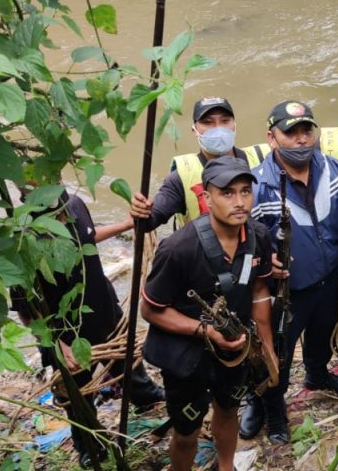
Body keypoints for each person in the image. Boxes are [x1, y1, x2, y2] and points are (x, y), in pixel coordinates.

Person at [139, 156, 276, 471]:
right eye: (227, 193)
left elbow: (258, 291)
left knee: (228, 411)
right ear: (207, 198)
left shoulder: (258, 236)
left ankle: (226, 466)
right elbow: (150, 309)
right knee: (186, 431)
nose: (239, 202)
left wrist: (267, 348)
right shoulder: (178, 249)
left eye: (245, 192)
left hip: (235, 349)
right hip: (187, 356)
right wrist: (204, 331)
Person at [12, 191, 165, 469]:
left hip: (104, 308)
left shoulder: (74, 203)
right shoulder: (23, 237)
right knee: (78, 394)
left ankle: (145, 396)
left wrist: (126, 225)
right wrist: (56, 343)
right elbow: (25, 308)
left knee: (126, 358)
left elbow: (88, 236)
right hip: (66, 331)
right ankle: (88, 444)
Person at [241, 100, 338, 444]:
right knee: (277, 352)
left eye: (306, 130)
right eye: (290, 132)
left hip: (329, 280)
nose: (300, 139)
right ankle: (274, 407)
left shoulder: (337, 172)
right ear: (272, 137)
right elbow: (243, 242)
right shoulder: (256, 186)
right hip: (285, 292)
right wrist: (264, 266)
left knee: (323, 335)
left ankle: (317, 374)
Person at [130, 97, 249, 230]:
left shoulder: (261, 157)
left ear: (234, 125)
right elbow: (150, 221)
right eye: (208, 123)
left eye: (225, 121)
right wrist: (141, 211)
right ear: (194, 130)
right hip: (201, 248)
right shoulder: (182, 176)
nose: (218, 129)